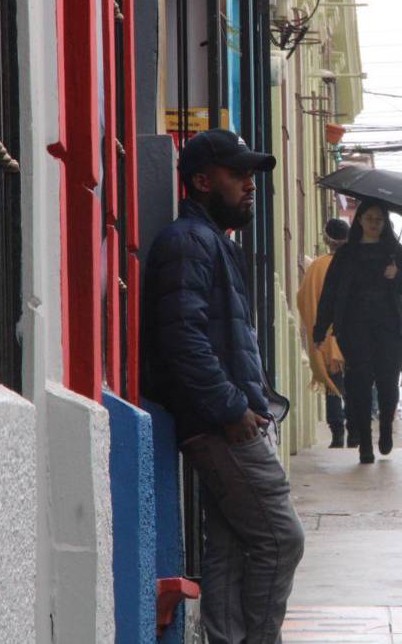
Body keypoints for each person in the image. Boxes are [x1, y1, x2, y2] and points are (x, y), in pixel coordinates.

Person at [141, 129, 305, 644]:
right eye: (239, 174)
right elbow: (182, 338)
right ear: (202, 180)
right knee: (282, 539)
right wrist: (233, 409)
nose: (250, 184)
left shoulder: (208, 242)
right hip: (222, 426)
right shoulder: (189, 242)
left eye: (251, 175)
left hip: (230, 420)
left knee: (233, 549)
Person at [312, 200, 402, 464]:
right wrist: (320, 328)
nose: (373, 223)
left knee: (387, 383)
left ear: (385, 222)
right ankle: (365, 443)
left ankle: (386, 430)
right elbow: (330, 292)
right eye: (369, 218)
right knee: (358, 384)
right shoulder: (347, 254)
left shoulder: (395, 251)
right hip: (354, 328)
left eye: (379, 219)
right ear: (359, 220)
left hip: (389, 328)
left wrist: (397, 276)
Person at [296, 217, 355, 449]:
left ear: (326, 239)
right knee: (354, 385)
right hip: (354, 337)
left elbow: (302, 299)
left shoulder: (317, 267)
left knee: (333, 385)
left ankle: (337, 432)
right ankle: (355, 431)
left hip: (327, 337)